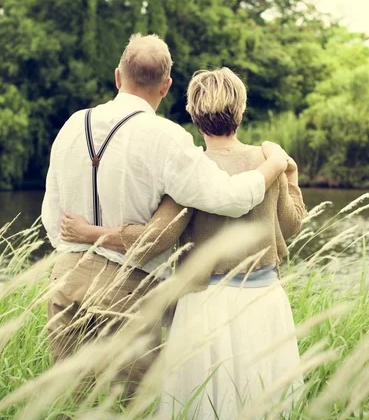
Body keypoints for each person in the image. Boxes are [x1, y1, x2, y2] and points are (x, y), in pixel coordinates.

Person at [41, 34, 290, 400]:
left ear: (117, 76)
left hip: (65, 280)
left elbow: (52, 215)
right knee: (124, 414)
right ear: (167, 86)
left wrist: (80, 247)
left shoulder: (73, 124)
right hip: (126, 291)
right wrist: (274, 165)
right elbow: (230, 198)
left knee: (69, 408)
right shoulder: (166, 137)